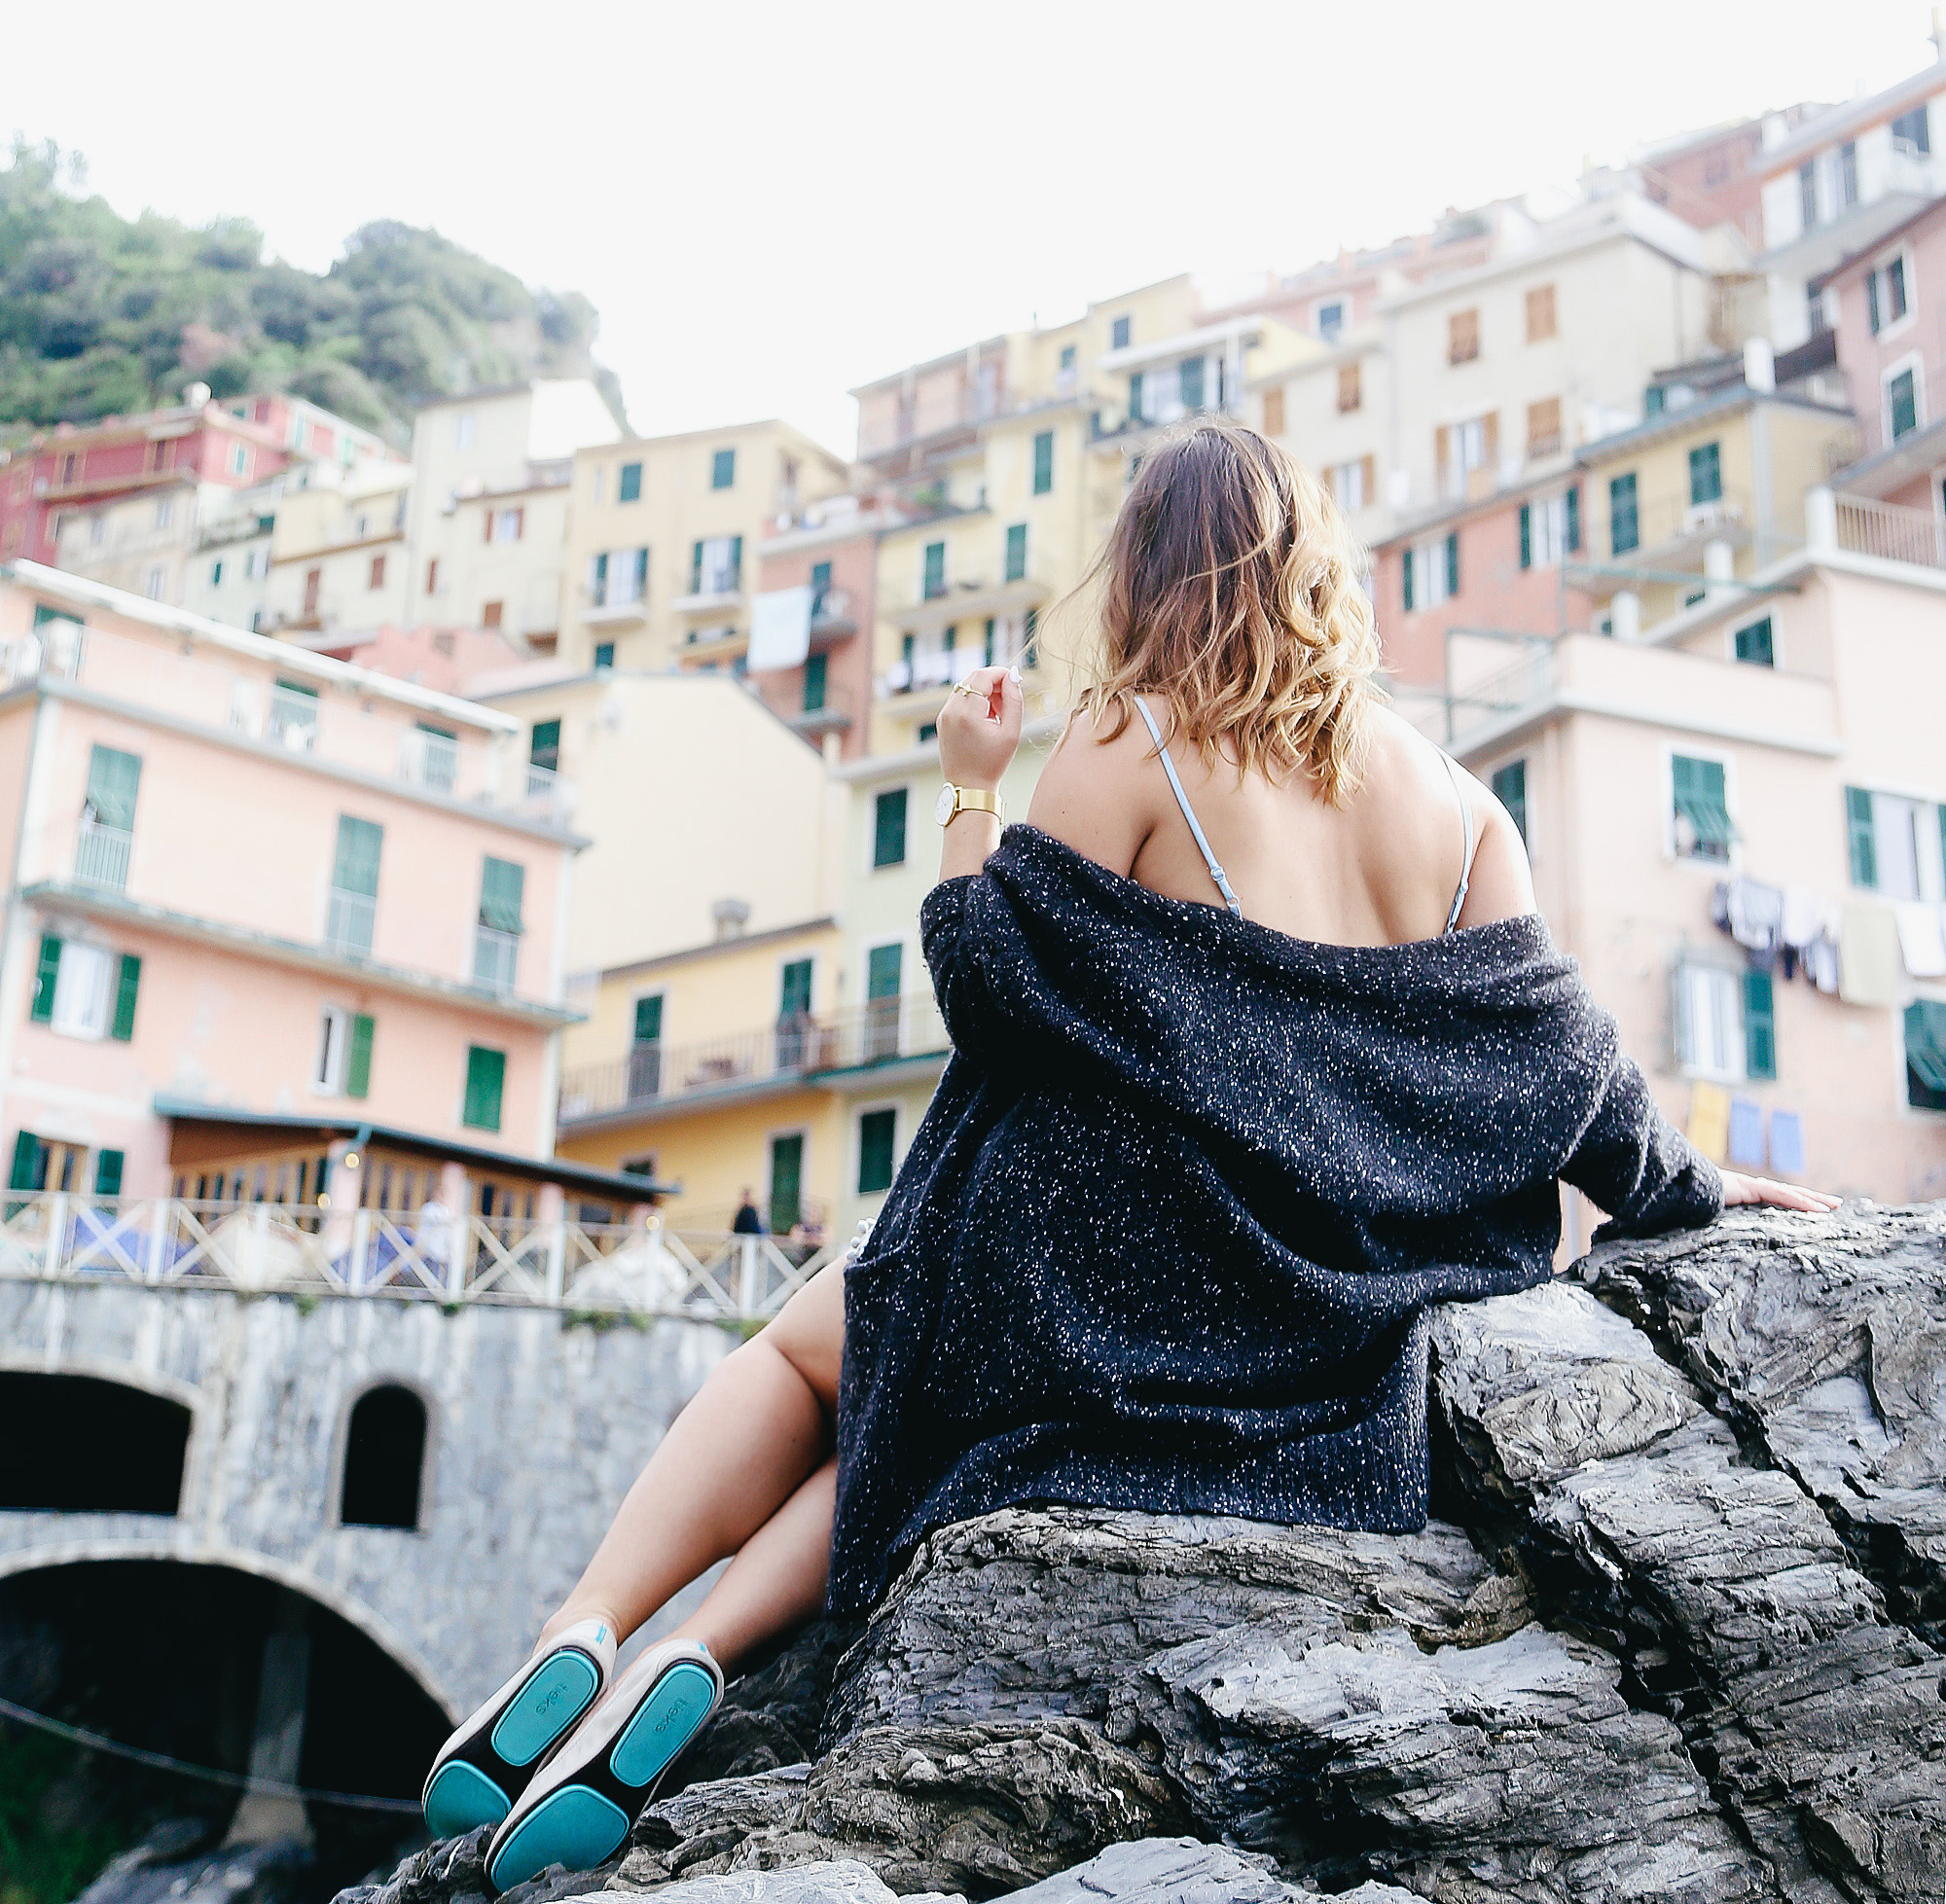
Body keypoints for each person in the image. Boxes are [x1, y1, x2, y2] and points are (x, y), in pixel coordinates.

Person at [424, 421, 1835, 1889]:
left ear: (1150, 571)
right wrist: (1699, 1189)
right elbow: (1565, 1068)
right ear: (1317, 572)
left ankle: (581, 1633)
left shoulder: (1136, 734)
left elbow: (991, 990)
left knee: (813, 1358)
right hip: (1323, 1335)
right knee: (923, 1419)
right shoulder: (1469, 815)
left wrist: (971, 782)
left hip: (1097, 1273)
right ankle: (702, 1654)